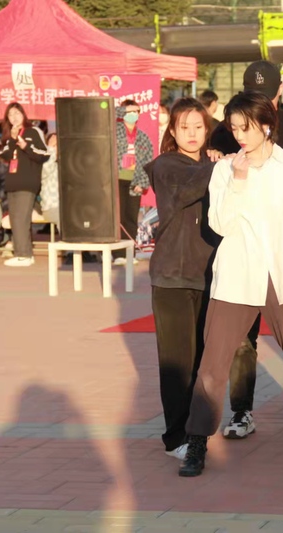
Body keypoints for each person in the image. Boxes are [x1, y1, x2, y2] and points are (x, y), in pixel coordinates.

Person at [179, 91, 283, 480]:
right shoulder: (225, 169)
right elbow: (219, 224)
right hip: (235, 277)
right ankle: (197, 442)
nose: (239, 135)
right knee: (212, 365)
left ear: (267, 125)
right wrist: (237, 180)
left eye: (246, 127)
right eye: (234, 128)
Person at [208, 60, 283, 440]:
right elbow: (220, 213)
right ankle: (241, 411)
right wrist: (228, 168)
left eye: (265, 92)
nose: (240, 133)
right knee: (237, 347)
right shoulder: (226, 135)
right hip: (239, 267)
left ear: (279, 91)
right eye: (235, 127)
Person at [144, 97, 221, 461]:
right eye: (184, 127)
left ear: (207, 129)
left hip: (208, 275)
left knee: (202, 360)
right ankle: (176, 437)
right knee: (177, 362)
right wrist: (221, 166)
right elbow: (187, 189)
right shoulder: (165, 166)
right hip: (172, 277)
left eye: (198, 127)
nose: (192, 134)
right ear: (172, 131)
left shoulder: (213, 163)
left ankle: (197, 429)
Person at [0, 102, 49, 267]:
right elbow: (5, 155)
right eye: (10, 115)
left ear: (23, 114)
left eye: (17, 113)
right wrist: (13, 140)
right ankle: (23, 253)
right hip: (13, 181)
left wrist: (26, 146)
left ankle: (24, 255)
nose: (14, 117)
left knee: (21, 218)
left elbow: (44, 154)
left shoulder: (33, 131)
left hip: (27, 181)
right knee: (15, 219)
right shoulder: (9, 136)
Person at [115, 99, 154, 265]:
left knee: (131, 217)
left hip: (134, 181)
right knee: (118, 216)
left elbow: (148, 162)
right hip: (117, 179)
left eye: (136, 112)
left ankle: (129, 252)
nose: (132, 115)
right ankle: (117, 254)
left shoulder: (143, 137)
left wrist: (143, 183)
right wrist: (123, 110)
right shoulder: (114, 132)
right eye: (129, 112)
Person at [40, 133, 60, 230]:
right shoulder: (44, 163)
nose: (57, 148)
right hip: (52, 207)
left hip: (69, 207)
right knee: (65, 219)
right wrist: (51, 149)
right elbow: (45, 169)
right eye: (55, 145)